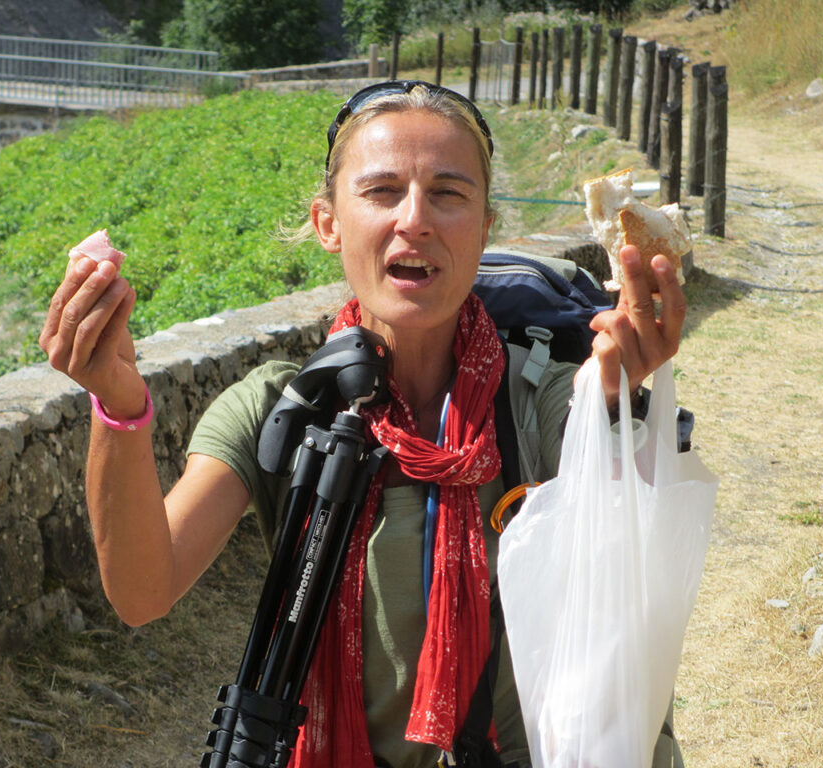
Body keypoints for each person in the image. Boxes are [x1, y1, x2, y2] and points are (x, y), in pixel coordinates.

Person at [38, 80, 686, 768]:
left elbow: (635, 548)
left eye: (449, 193)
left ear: (487, 225)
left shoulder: (544, 398)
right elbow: (142, 592)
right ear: (328, 223)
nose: (416, 219)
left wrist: (615, 400)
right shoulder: (279, 410)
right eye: (381, 192)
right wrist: (118, 406)